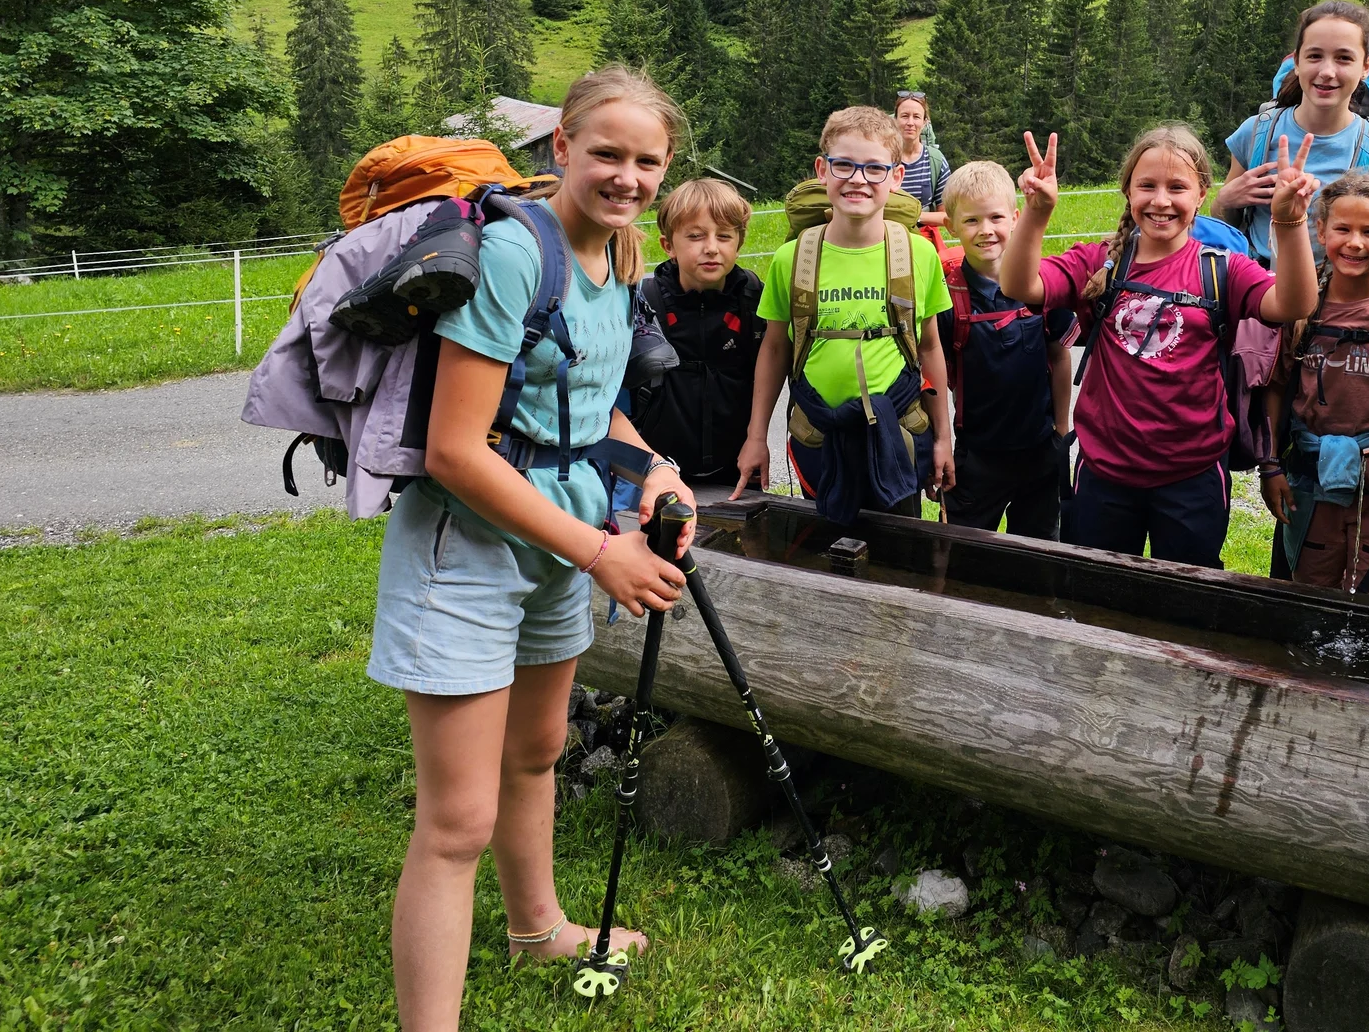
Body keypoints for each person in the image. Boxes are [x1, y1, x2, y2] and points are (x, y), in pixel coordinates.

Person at [365, 67, 698, 1031]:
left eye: (646, 161)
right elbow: (455, 450)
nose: (625, 176)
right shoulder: (517, 252)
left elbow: (588, 406)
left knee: (539, 752)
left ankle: (537, 927)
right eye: (605, 154)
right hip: (468, 551)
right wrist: (602, 553)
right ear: (561, 149)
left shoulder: (620, 258)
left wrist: (656, 470)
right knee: (456, 819)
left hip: (563, 539)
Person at [999, 124, 1322, 568]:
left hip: (1192, 479)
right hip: (1104, 476)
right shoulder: (1100, 262)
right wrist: (1035, 213)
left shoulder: (1222, 270)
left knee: (1183, 608)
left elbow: (1295, 303)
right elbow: (1019, 284)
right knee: (1099, 600)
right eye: (1147, 185)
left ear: (1202, 194)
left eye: (1177, 187)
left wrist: (1290, 221)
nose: (1161, 200)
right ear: (1127, 191)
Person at [733, 106, 956, 520]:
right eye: (844, 165)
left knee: (899, 560)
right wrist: (756, 436)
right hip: (818, 438)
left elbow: (930, 348)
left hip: (898, 438)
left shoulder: (919, 254)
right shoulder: (791, 258)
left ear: (896, 177)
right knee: (819, 551)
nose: (858, 179)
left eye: (875, 168)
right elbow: (775, 350)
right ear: (822, 169)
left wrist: (944, 439)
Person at [1263, 174, 1369, 596]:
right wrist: (1269, 466)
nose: (1354, 242)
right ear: (1321, 231)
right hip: (1311, 487)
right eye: (1342, 229)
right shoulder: (1303, 307)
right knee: (1311, 597)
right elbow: (1275, 389)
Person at [1213, 0, 1369, 264]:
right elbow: (1225, 223)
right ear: (1297, 61)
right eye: (1314, 56)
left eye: (1344, 58)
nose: (1327, 71)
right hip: (1260, 289)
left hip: (1341, 293)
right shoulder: (1255, 133)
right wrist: (1225, 200)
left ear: (1366, 67)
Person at [937, 160, 1077, 538]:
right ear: (950, 226)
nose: (986, 231)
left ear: (1015, 218)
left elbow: (1060, 355)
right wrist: (940, 446)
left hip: (1040, 452)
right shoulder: (946, 299)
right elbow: (932, 373)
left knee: (1039, 554)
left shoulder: (1045, 287)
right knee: (963, 554)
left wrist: (1061, 430)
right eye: (971, 221)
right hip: (976, 457)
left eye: (996, 217)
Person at [630, 178, 766, 489]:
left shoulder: (754, 299)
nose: (711, 248)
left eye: (724, 236)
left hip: (738, 468)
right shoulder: (644, 300)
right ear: (668, 246)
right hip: (657, 470)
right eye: (695, 236)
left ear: (739, 243)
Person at [894, 89, 949, 230]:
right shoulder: (882, 160)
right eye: (905, 116)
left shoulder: (935, 160)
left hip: (925, 239)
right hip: (886, 237)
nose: (910, 123)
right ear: (895, 120)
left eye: (916, 117)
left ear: (925, 122)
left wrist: (913, 216)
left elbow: (948, 215)